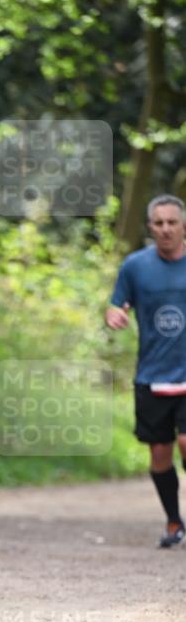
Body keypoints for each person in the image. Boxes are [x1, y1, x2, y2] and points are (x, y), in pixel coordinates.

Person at [106, 194, 186, 548]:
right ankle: (173, 522)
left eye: (172, 222)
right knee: (159, 454)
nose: (166, 229)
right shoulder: (135, 267)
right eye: (159, 223)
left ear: (184, 226)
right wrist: (115, 315)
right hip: (152, 374)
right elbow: (115, 306)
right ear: (150, 227)